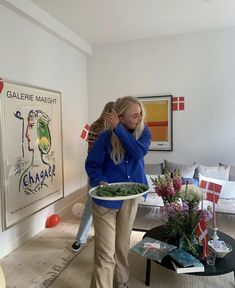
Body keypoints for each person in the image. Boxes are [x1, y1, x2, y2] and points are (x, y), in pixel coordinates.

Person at [85, 96, 151, 288]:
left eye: (140, 114)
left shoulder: (144, 133)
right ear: (120, 117)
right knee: (105, 254)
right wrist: (98, 180)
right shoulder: (105, 138)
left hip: (130, 199)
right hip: (106, 200)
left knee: (122, 246)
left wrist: (119, 130)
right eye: (134, 116)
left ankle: (121, 282)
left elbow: (137, 153)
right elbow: (92, 164)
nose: (139, 119)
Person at [72, 101, 115, 252]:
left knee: (103, 208)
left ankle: (94, 238)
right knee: (91, 206)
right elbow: (91, 153)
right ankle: (80, 239)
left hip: (108, 173)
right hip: (98, 173)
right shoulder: (97, 127)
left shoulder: (116, 128)